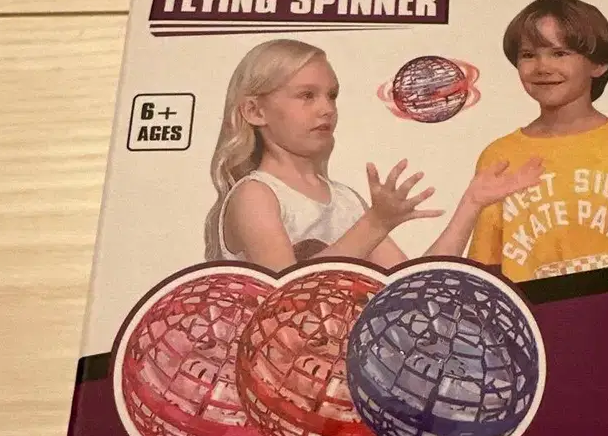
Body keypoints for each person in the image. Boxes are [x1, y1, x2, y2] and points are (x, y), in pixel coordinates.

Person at [203, 38, 542, 273]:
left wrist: (472, 203)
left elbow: (411, 287)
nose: (326, 109)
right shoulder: (256, 195)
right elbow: (288, 297)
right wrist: (376, 223)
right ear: (255, 111)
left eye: (332, 95)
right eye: (306, 95)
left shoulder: (344, 199)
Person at [466, 0, 608, 283]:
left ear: (599, 64)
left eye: (559, 53)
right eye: (529, 55)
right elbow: (485, 272)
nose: (542, 67)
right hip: (533, 311)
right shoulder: (499, 155)